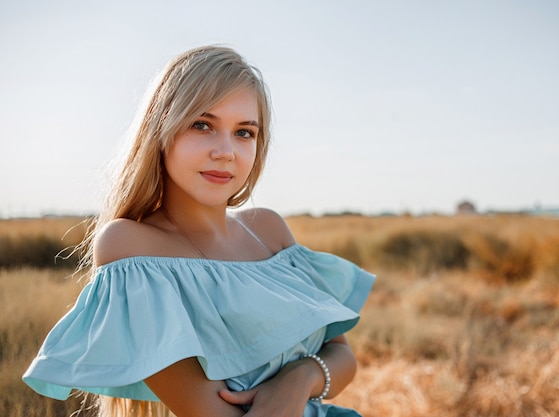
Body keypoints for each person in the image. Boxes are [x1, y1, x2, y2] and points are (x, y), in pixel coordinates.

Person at [23, 45, 375, 417]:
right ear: (160, 129)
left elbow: (343, 353)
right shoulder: (131, 247)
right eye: (202, 125)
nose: (226, 151)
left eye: (244, 132)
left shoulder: (269, 231)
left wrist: (299, 378)